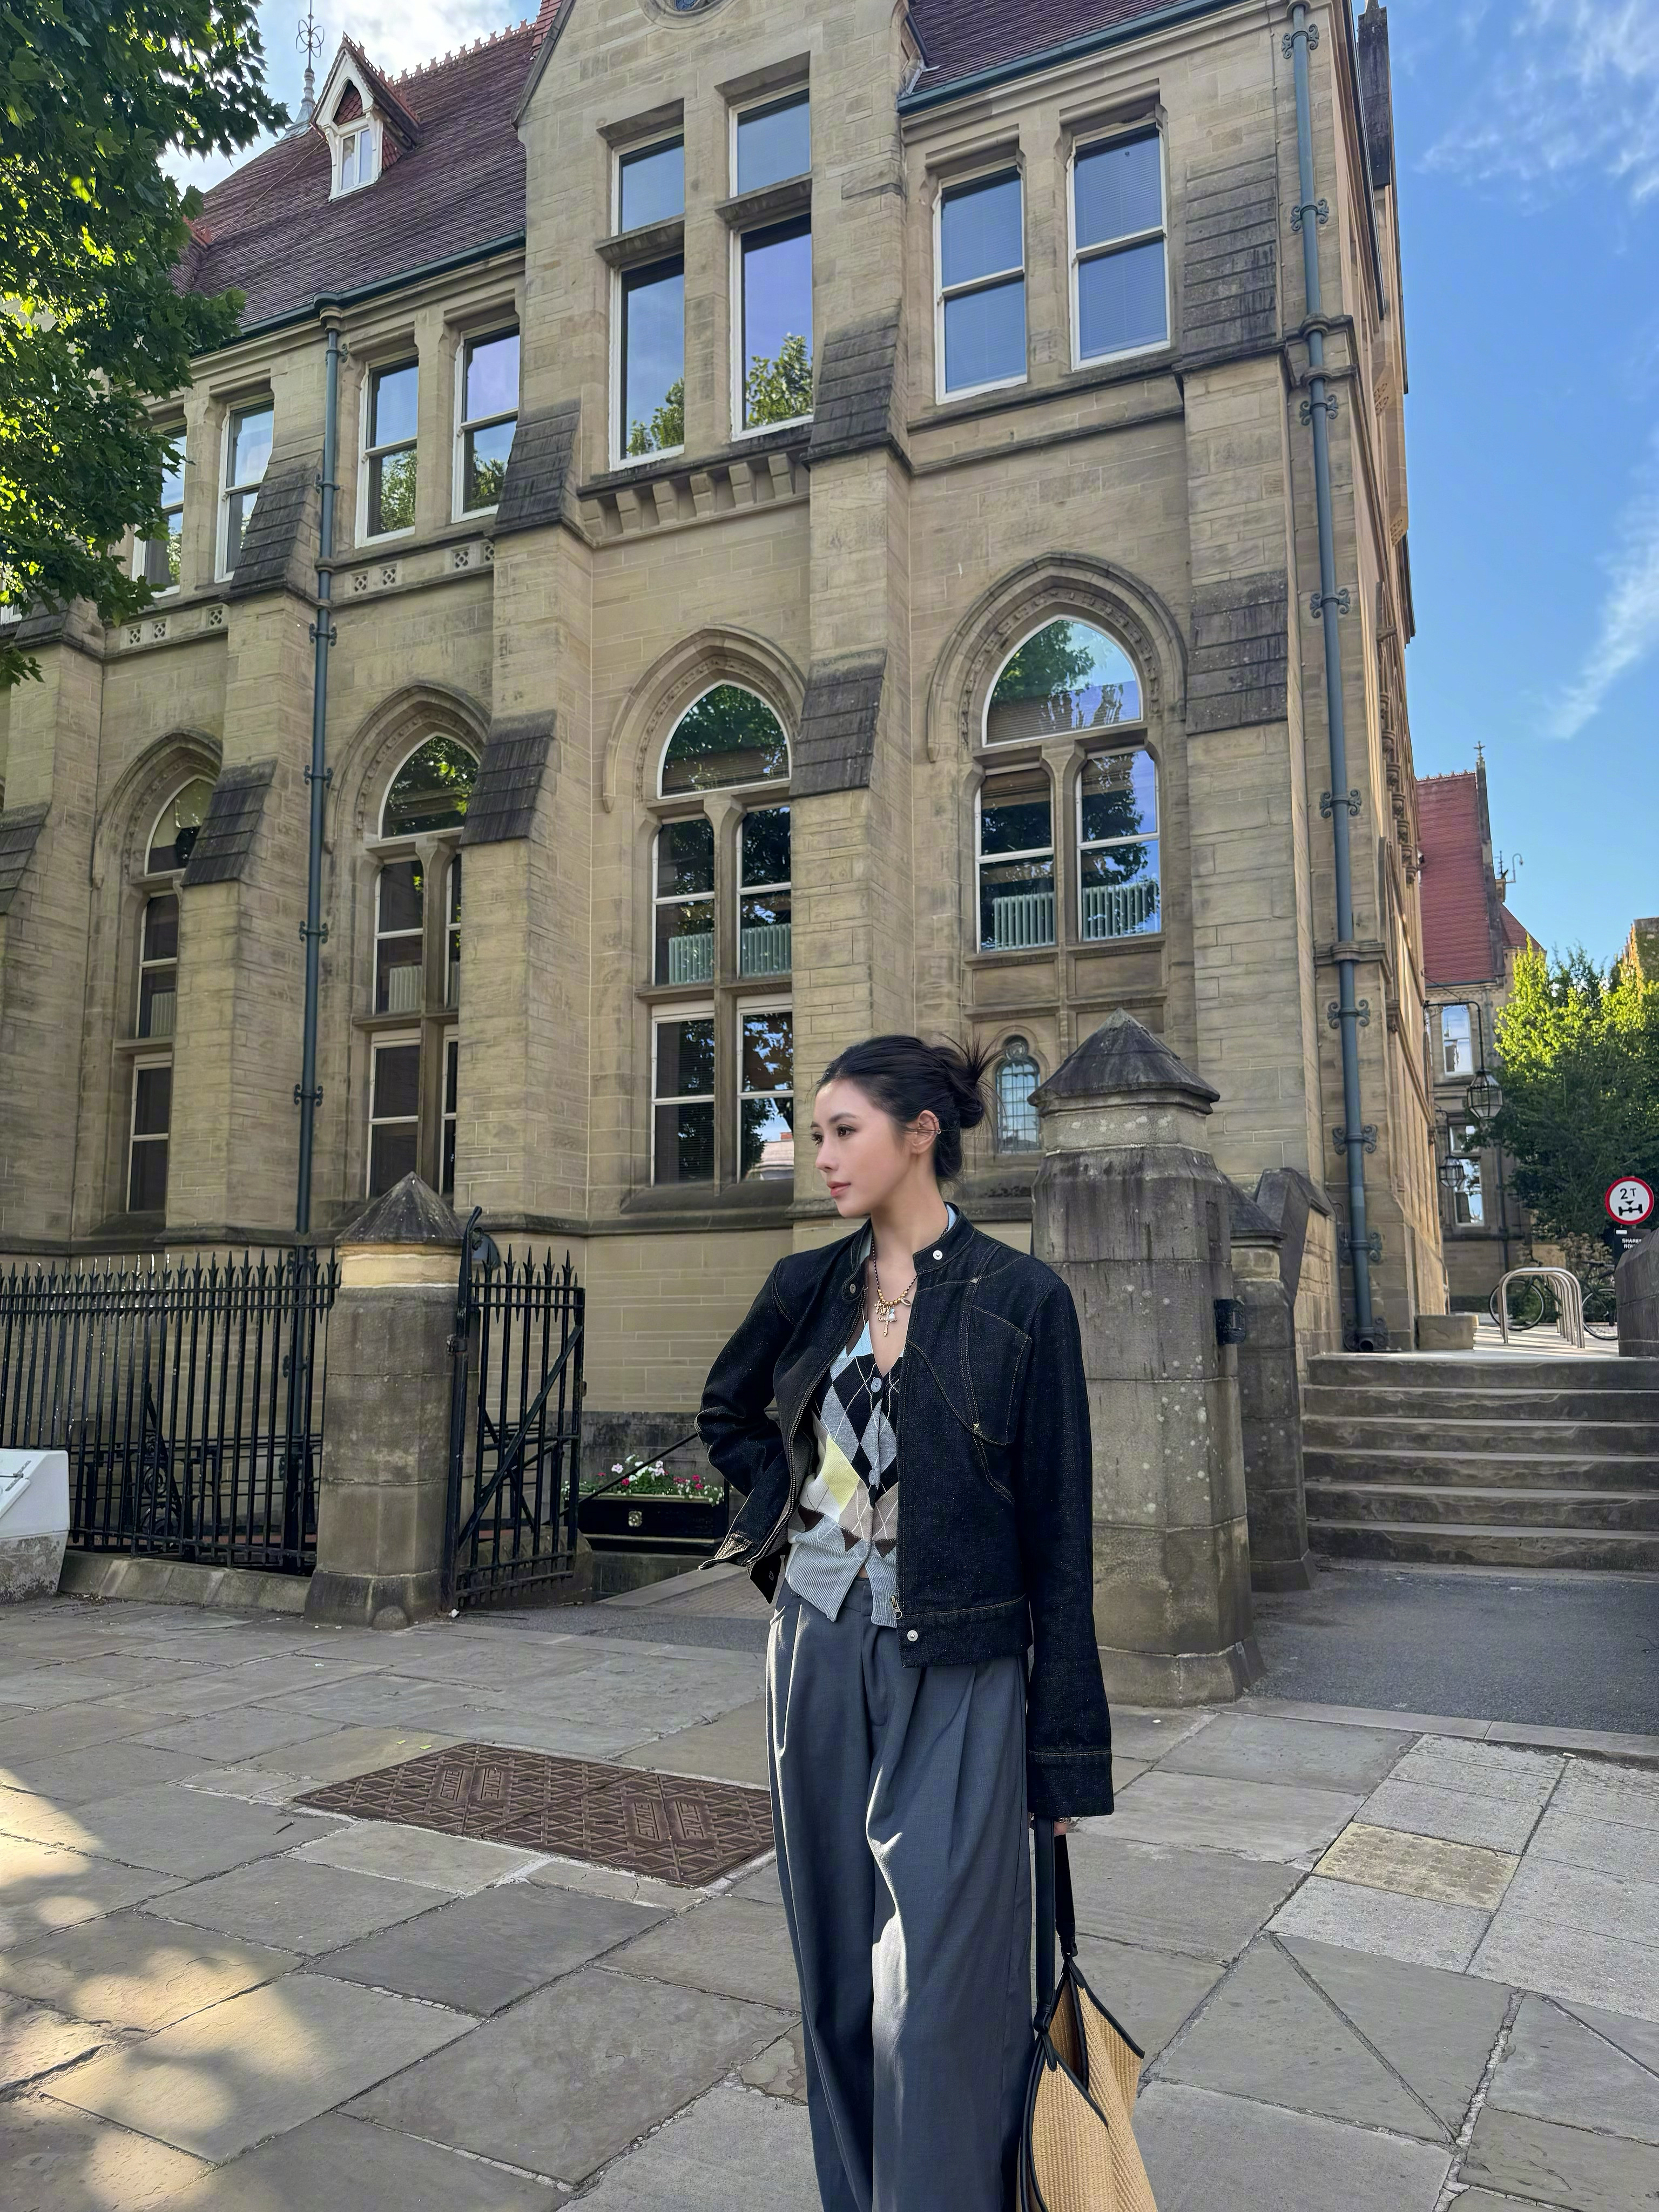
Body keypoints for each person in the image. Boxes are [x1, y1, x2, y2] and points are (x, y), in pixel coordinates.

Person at [698, 1033, 1114, 2212]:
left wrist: (1062, 1754)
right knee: (837, 1977)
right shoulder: (806, 1288)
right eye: (816, 1133)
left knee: (936, 1999)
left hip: (963, 1667)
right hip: (815, 1653)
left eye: (844, 1131)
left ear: (920, 1133)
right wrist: (802, 1515)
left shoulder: (1023, 1300)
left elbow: (1062, 1541)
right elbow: (728, 1413)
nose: (822, 1155)